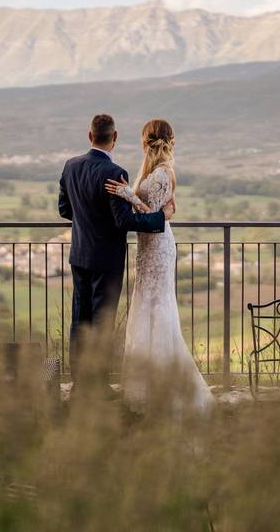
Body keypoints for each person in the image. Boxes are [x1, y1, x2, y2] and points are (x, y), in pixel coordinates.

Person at [58, 114, 175, 396]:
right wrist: (161, 218)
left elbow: (64, 210)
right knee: (102, 321)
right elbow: (123, 222)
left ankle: (79, 384)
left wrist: (88, 222)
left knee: (80, 320)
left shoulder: (70, 166)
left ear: (90, 136)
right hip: (106, 259)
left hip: (80, 255)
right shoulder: (114, 173)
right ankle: (97, 386)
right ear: (115, 137)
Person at [105, 119, 214, 415]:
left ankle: (160, 384)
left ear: (147, 142)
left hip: (157, 246)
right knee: (148, 304)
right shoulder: (159, 173)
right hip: (150, 246)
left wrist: (127, 193)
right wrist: (132, 194)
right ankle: (147, 381)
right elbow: (169, 209)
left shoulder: (161, 174)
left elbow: (151, 212)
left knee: (156, 306)